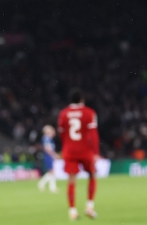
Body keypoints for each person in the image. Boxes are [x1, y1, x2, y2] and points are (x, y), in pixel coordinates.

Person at [57, 89, 100, 220]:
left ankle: (72, 211)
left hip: (70, 151)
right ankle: (89, 206)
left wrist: (65, 148)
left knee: (71, 180)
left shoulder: (63, 113)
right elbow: (93, 134)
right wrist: (96, 152)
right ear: (82, 100)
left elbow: (62, 134)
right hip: (85, 150)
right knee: (92, 174)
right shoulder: (89, 113)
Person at [37, 125, 59, 193]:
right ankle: (51, 187)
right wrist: (54, 155)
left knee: (51, 172)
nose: (53, 132)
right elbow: (47, 149)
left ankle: (44, 185)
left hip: (49, 156)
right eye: (52, 130)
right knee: (52, 172)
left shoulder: (49, 139)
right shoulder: (47, 138)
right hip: (48, 156)